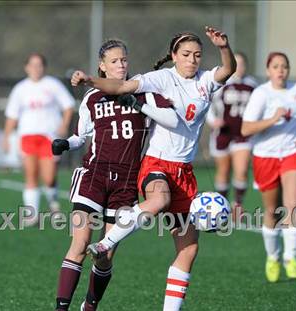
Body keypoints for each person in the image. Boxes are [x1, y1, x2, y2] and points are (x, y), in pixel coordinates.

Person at [71, 26, 236, 310]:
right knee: (159, 199)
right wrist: (91, 81)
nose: (192, 60)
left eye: (197, 55)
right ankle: (105, 244)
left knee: (189, 249)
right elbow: (121, 87)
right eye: (185, 54)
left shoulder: (205, 81)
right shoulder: (161, 78)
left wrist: (223, 47)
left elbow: (228, 70)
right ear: (174, 56)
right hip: (156, 163)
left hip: (184, 172)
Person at [52, 39, 175, 311]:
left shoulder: (144, 93)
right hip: (93, 176)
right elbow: (81, 136)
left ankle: (90, 306)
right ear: (102, 65)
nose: (121, 65)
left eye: (124, 60)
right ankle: (61, 309)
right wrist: (65, 143)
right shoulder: (92, 97)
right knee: (80, 243)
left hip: (126, 183)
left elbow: (171, 117)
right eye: (115, 61)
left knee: (104, 254)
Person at [241, 52, 296, 282]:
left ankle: (290, 257)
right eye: (275, 66)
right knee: (272, 211)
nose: (280, 70)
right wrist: (272, 119)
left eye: (284, 66)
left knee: (293, 203)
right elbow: (246, 129)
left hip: (293, 152)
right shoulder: (261, 94)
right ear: (268, 71)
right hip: (265, 156)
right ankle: (272, 256)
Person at [3, 53, 75, 226]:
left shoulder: (52, 85)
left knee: (49, 177)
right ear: (26, 67)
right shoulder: (20, 89)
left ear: (44, 67)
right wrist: (6, 136)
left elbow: (68, 106)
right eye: (32, 65)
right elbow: (12, 116)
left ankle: (53, 204)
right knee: (31, 174)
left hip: (49, 137)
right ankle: (32, 214)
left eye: (39, 65)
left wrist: (64, 125)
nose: (36, 68)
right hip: (28, 136)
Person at [206, 52, 257, 216]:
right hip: (223, 134)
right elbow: (206, 103)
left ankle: (238, 206)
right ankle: (222, 207)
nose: (239, 67)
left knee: (241, 170)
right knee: (223, 171)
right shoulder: (222, 83)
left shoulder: (252, 85)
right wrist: (213, 121)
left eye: (242, 64)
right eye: (236, 63)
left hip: (243, 134)